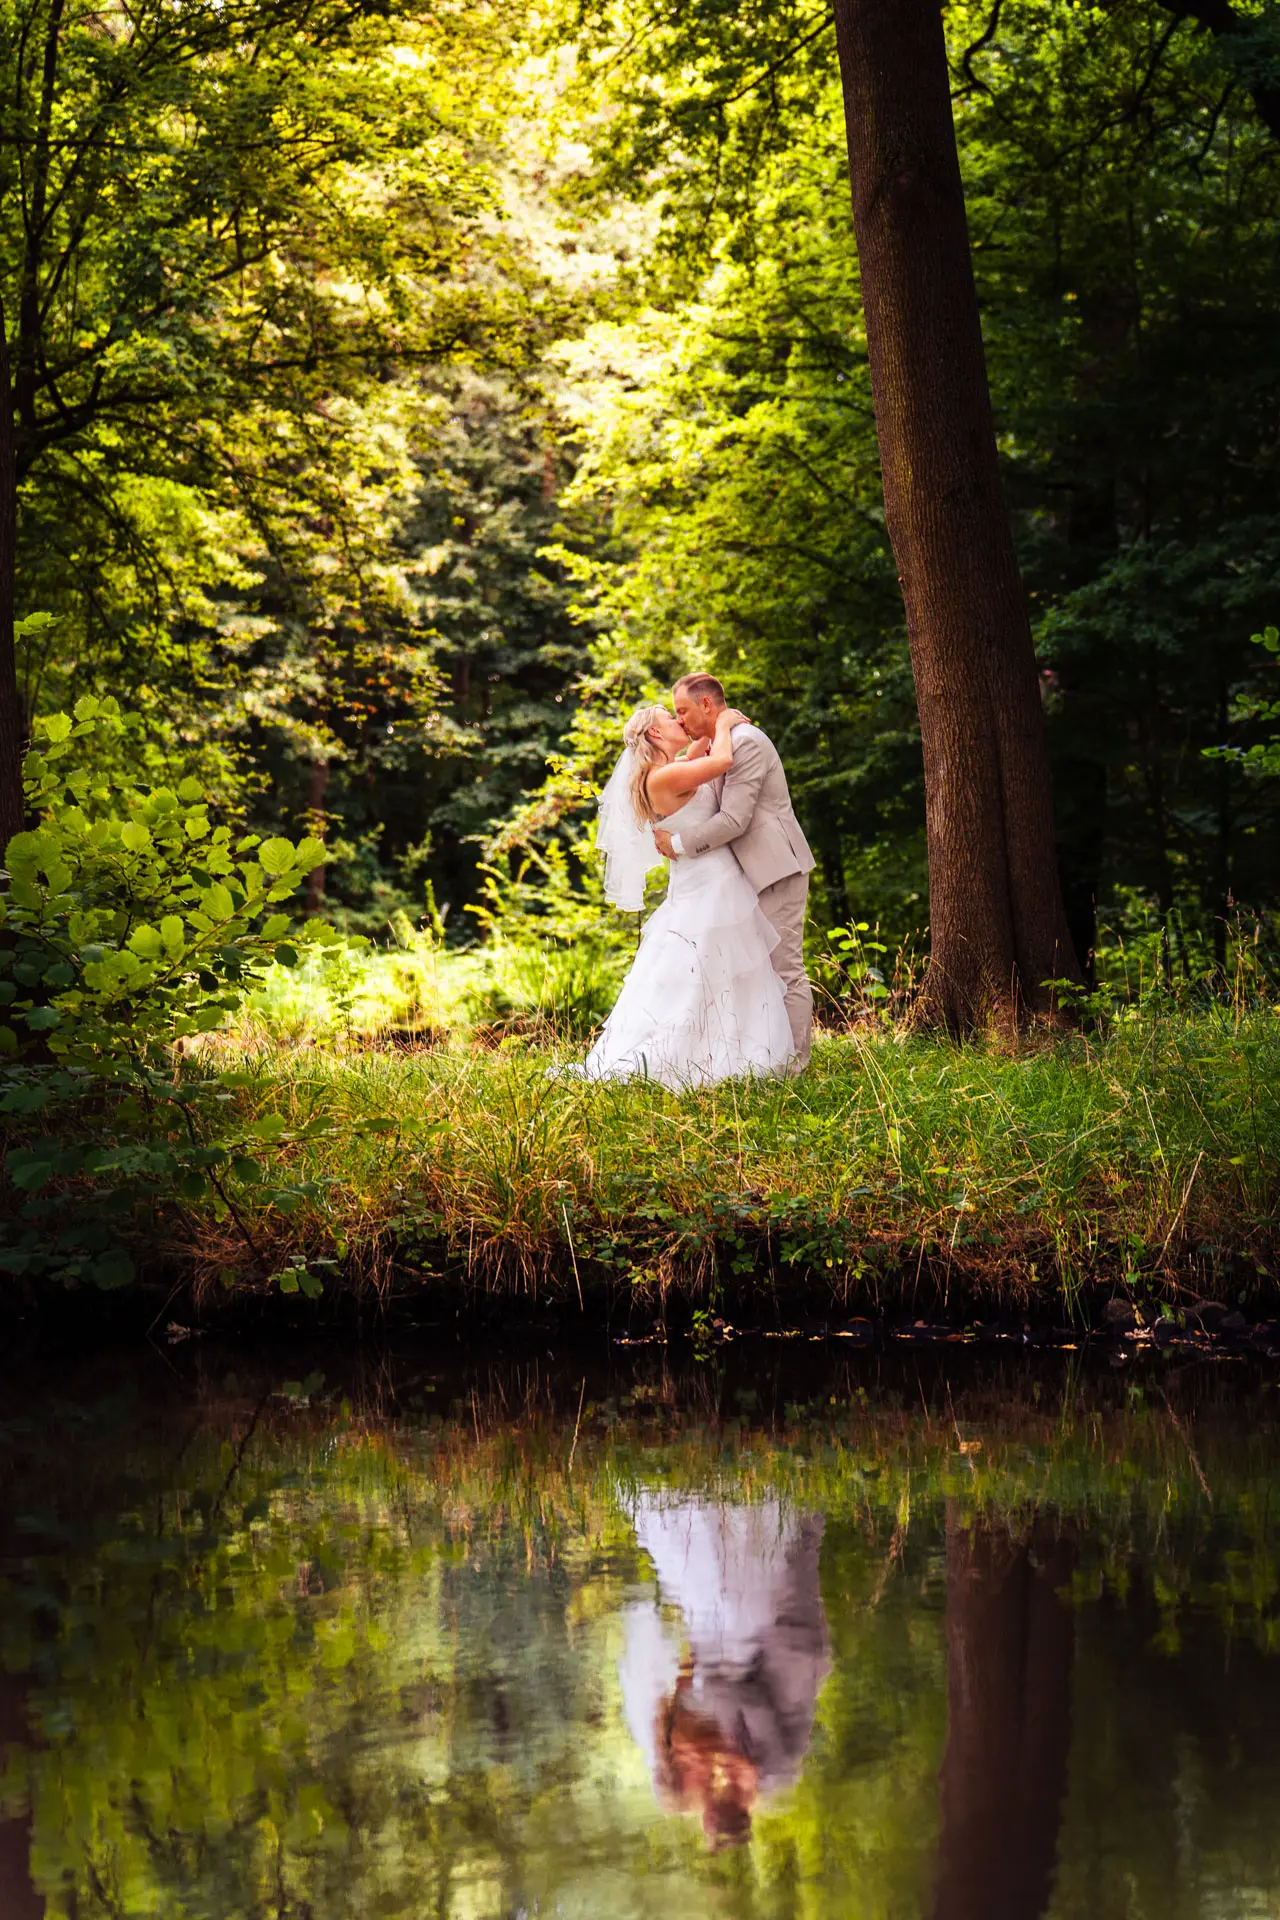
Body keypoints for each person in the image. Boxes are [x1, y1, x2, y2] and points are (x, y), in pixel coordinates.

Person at [578, 698, 796, 1088]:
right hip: (709, 885)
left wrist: (708, 727)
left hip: (711, 880)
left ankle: (735, 1049)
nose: (679, 719)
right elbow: (721, 761)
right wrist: (725, 724)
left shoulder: (668, 770)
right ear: (655, 733)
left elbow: (696, 756)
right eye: (670, 716)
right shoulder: (661, 778)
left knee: (724, 969)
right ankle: (704, 1056)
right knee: (707, 971)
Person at [618, 1496, 831, 1848]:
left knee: (734, 1588)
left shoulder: (709, 1761)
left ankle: (766, 1504)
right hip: (790, 1645)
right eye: (719, 1805)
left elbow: (724, 1689)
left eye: (708, 1799)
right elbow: (751, 1702)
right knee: (786, 1557)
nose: (713, 1785)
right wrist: (705, 1691)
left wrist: (702, 1688)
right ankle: (792, 1501)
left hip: (756, 1649)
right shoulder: (771, 1772)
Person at [655, 674, 815, 1069]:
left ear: (707, 705)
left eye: (684, 711)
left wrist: (677, 845)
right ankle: (764, 1057)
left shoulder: (746, 743)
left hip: (776, 869)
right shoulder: (717, 745)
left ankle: (796, 1065)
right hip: (744, 875)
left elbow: (735, 820)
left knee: (785, 968)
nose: (681, 720)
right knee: (758, 970)